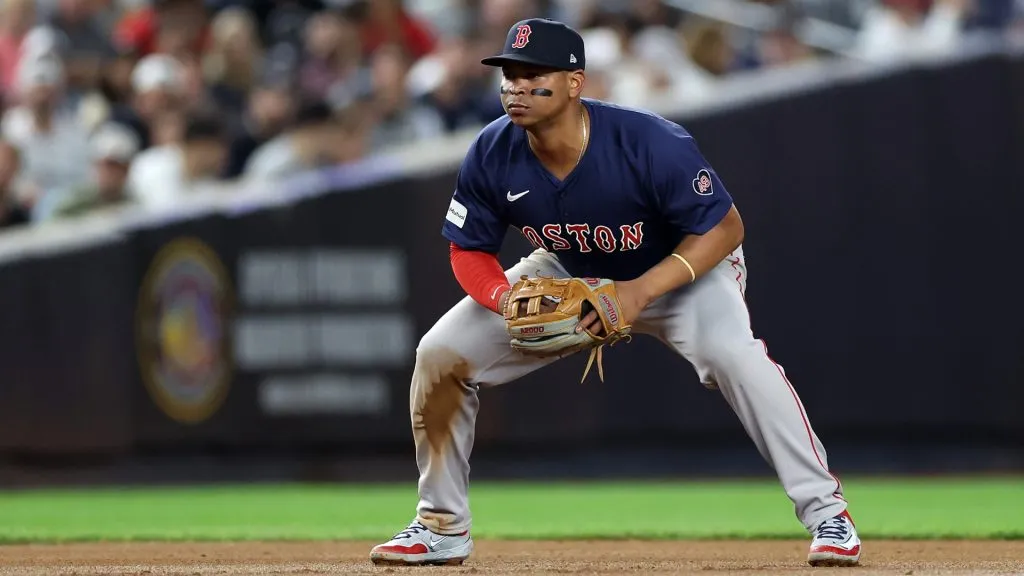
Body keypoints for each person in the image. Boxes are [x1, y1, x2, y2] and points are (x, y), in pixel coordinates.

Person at [369, 18, 861, 569]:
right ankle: (441, 527)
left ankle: (828, 516)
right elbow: (469, 249)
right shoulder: (492, 149)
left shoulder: (648, 140)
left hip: (680, 269)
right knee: (440, 354)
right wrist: (504, 300)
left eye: (534, 75)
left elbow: (724, 228)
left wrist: (638, 292)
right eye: (509, 74)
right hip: (569, 270)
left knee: (735, 356)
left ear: (575, 82)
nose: (516, 87)